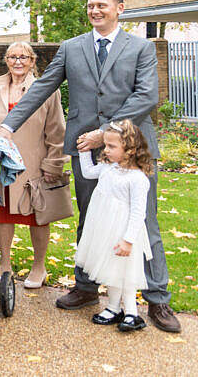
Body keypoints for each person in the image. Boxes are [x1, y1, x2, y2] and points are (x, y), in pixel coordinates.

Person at [0, 0, 178, 333]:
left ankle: (157, 299)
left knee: (145, 223)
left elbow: (146, 96)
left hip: (134, 150)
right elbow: (42, 86)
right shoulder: (72, 47)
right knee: (90, 219)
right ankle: (85, 287)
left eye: (102, 5)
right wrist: (8, 126)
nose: (95, 10)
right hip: (84, 149)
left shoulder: (140, 48)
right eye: (91, 5)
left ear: (119, 9)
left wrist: (105, 132)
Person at [0, 41, 66, 287]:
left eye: (24, 57)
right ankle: (5, 264)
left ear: (33, 61)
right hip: (3, 164)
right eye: (12, 57)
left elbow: (57, 130)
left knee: (38, 217)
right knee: (4, 215)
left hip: (34, 163)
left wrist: (54, 163)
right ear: (6, 60)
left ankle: (39, 266)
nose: (17, 61)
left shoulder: (47, 89)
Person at [76, 120, 154, 333]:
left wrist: (128, 240)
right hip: (104, 228)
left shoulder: (137, 179)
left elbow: (139, 213)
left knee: (126, 274)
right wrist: (84, 151)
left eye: (112, 147)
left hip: (124, 232)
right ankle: (112, 307)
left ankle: (132, 313)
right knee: (111, 270)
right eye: (105, 146)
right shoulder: (108, 167)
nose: (106, 150)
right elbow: (88, 173)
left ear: (129, 149)